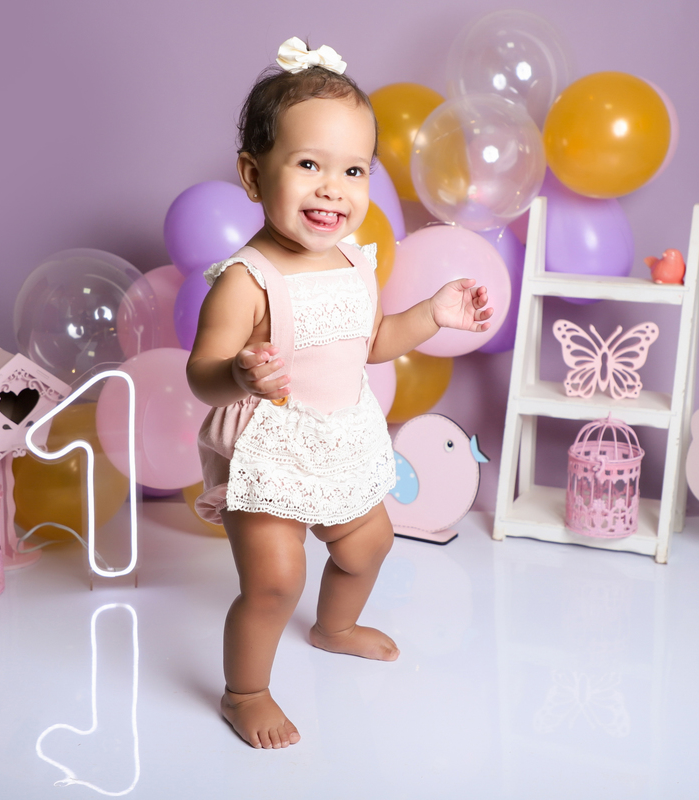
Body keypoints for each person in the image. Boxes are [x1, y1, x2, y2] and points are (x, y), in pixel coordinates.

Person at [186, 37, 493, 750]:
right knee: (274, 581)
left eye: (353, 170)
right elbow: (201, 373)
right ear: (253, 175)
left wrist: (432, 315)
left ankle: (336, 626)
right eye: (308, 165)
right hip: (270, 447)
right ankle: (245, 692)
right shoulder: (246, 281)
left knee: (369, 543)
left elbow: (371, 342)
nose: (333, 188)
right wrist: (237, 375)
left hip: (339, 435)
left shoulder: (355, 262)